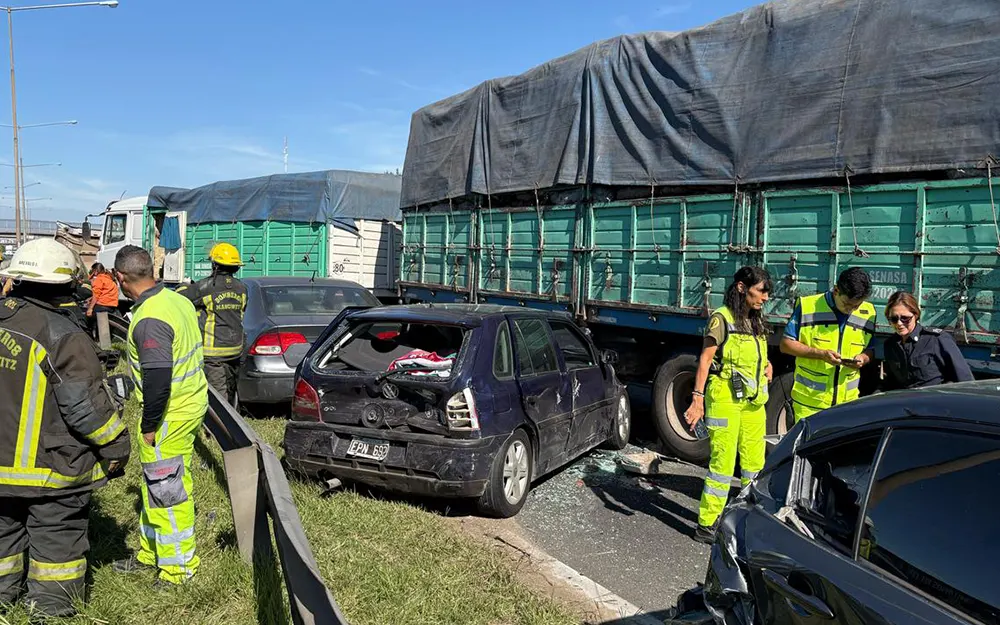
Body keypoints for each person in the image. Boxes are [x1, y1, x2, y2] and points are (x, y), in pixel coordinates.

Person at [0, 238, 130, 618]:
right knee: (57, 542)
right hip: (50, 470)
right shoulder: (62, 335)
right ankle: (50, 610)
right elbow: (85, 409)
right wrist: (116, 447)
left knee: (3, 535)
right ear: (65, 285)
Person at [111, 245, 207, 587]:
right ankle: (150, 553)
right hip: (190, 404)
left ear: (121, 278)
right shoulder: (177, 300)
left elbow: (158, 379)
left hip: (168, 416)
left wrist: (150, 425)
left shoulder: (150, 318)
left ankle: (178, 569)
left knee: (168, 491)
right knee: (156, 483)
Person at [684, 266, 773, 544]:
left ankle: (748, 521)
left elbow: (756, 357)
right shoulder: (721, 318)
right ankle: (707, 524)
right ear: (741, 288)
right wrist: (697, 399)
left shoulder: (757, 320)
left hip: (753, 402)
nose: (765, 297)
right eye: (761, 291)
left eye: (767, 292)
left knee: (754, 466)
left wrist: (767, 366)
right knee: (722, 465)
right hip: (725, 399)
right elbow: (705, 360)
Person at [780, 267, 876, 421]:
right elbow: (786, 345)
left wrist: (863, 358)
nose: (851, 310)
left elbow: (871, 348)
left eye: (856, 306)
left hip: (847, 404)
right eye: (847, 304)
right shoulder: (808, 306)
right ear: (836, 290)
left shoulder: (868, 312)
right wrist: (821, 354)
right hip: (809, 403)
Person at [176, 243, 247, 403]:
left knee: (218, 396)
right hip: (235, 348)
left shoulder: (205, 286)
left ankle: (221, 426)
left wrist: (184, 286)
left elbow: (181, 298)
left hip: (213, 352)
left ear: (214, 264)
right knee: (231, 388)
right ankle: (233, 419)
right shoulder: (242, 288)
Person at [881, 291, 974, 390]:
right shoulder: (890, 345)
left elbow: (965, 380)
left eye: (905, 318)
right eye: (894, 319)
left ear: (916, 315)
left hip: (934, 401)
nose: (899, 323)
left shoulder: (936, 340)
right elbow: (890, 383)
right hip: (906, 402)